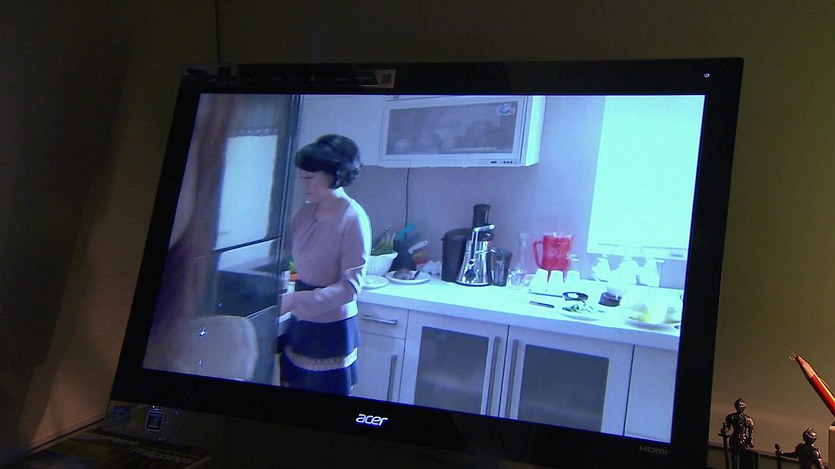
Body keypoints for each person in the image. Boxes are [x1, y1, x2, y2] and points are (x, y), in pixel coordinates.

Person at [278, 134, 371, 395]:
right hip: (301, 322)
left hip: (332, 327)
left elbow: (350, 288)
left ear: (334, 174)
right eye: (302, 177)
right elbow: (284, 257)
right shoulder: (303, 213)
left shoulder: (353, 218)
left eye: (310, 177)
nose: (304, 184)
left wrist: (295, 301)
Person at [720, 398, 757, 469]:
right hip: (734, 438)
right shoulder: (731, 417)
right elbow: (728, 426)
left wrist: (751, 441)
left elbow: (751, 430)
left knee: (743, 457)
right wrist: (724, 430)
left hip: (744, 440)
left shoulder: (747, 418)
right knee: (734, 457)